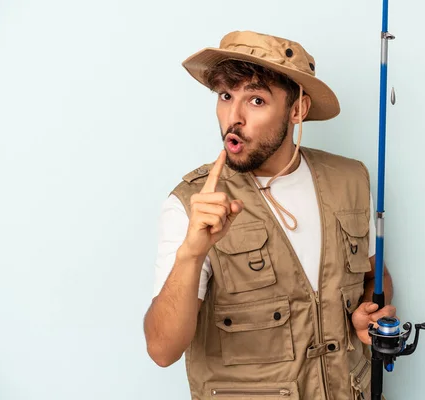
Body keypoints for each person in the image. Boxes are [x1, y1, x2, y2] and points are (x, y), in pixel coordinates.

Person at [143, 30, 396, 400]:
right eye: (226, 96)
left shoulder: (350, 179)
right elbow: (162, 349)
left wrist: (367, 315)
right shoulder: (191, 204)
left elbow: (376, 273)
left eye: (256, 100)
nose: (234, 117)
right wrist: (191, 253)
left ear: (297, 110)